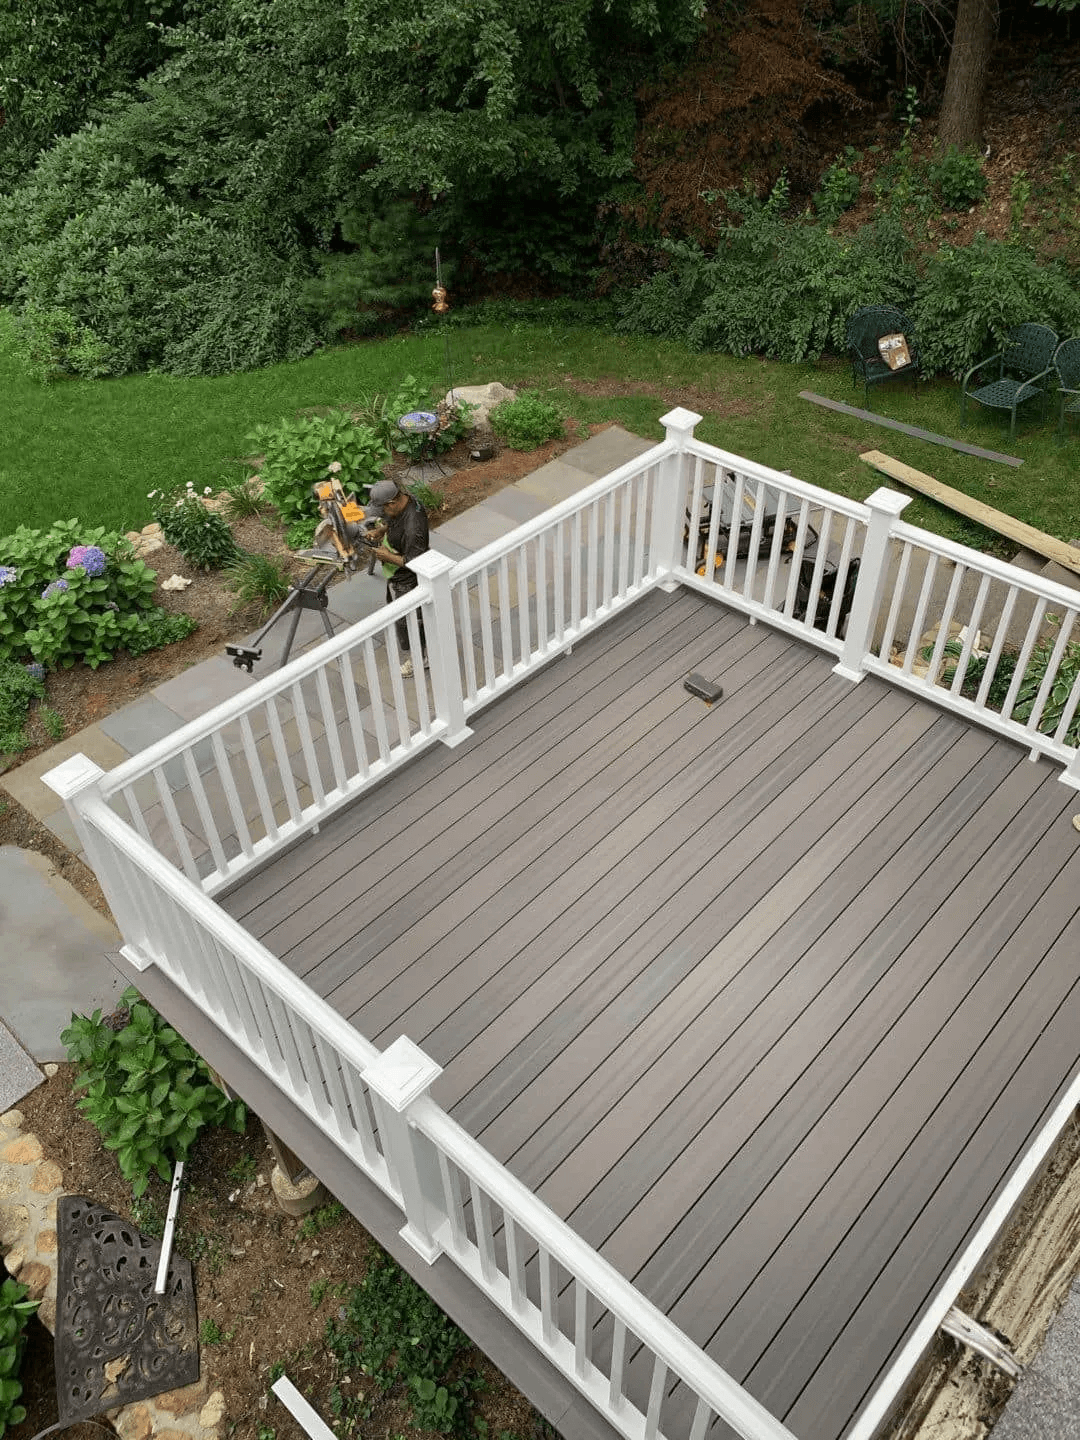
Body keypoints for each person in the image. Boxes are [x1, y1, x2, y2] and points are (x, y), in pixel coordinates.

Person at [367, 479, 429, 676]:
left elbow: (415, 560)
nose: (383, 515)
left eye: (384, 510)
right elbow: (394, 519)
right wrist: (383, 529)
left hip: (409, 580)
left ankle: (420, 658)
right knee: (408, 618)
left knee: (410, 620)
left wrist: (387, 557)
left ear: (392, 502)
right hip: (400, 572)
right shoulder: (406, 500)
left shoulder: (414, 526)